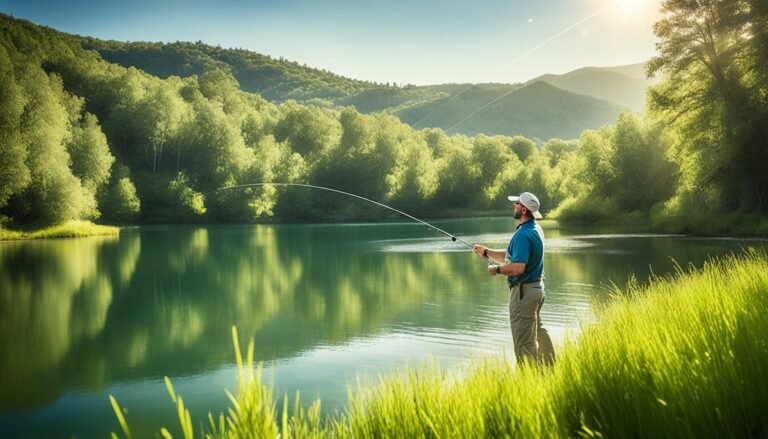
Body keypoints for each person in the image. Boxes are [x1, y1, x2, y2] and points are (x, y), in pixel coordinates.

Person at [473, 192, 555, 367]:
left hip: (523, 294)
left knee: (524, 342)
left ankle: (529, 379)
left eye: (517, 203)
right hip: (537, 290)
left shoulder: (523, 235)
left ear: (524, 209)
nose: (514, 206)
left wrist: (496, 270)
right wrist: (487, 252)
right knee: (539, 331)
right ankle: (550, 369)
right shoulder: (535, 229)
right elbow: (513, 257)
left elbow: (518, 267)